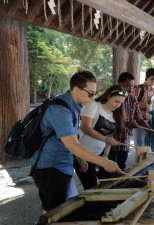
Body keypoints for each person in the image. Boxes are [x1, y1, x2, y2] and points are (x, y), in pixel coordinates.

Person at [30, 69, 121, 213]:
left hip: (63, 166)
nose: (92, 98)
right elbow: (72, 145)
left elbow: (73, 137)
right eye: (90, 93)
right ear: (77, 89)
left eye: (94, 94)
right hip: (50, 168)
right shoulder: (60, 110)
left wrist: (79, 157)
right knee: (54, 213)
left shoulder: (74, 106)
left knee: (66, 208)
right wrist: (104, 162)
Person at [74, 85, 128, 189]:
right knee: (91, 187)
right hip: (82, 153)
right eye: (116, 101)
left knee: (108, 181)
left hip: (100, 154)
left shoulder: (116, 114)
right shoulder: (94, 105)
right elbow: (86, 128)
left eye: (121, 103)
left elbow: (109, 136)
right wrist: (80, 157)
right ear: (108, 96)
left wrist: (105, 156)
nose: (118, 105)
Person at [108, 72, 154, 171]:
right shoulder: (112, 98)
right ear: (119, 84)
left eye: (132, 85)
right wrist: (126, 123)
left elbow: (139, 119)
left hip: (125, 138)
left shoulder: (132, 98)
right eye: (127, 85)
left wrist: (152, 131)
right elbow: (109, 119)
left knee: (121, 166)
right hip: (111, 138)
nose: (130, 88)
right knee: (109, 166)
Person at [133, 68, 154, 151]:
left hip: (148, 122)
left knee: (146, 146)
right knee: (139, 147)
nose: (153, 82)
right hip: (138, 122)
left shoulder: (153, 91)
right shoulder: (138, 89)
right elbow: (132, 107)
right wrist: (144, 113)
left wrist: (151, 109)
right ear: (147, 78)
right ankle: (139, 163)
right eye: (152, 79)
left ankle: (143, 163)